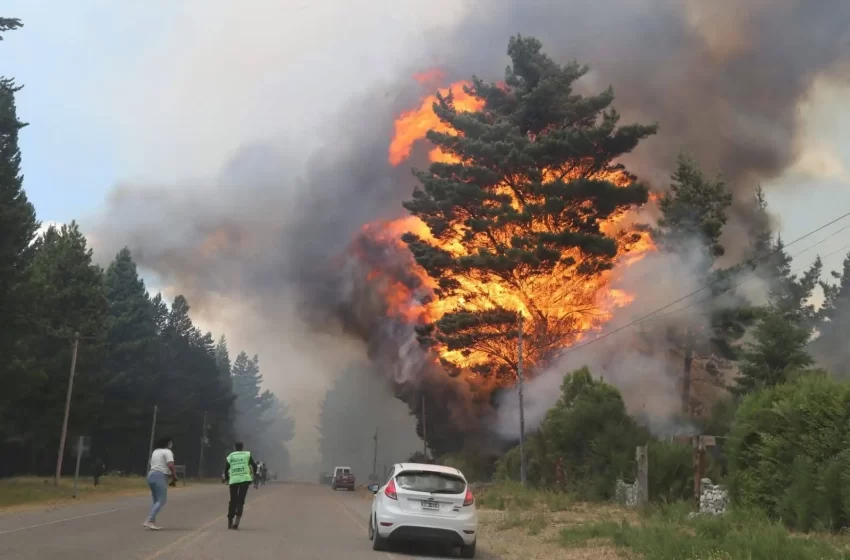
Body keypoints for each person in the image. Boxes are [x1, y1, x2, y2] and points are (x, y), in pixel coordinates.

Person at [144, 436, 177, 530]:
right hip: (160, 476)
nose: (171, 444)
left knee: (156, 500)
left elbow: (152, 463)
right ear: (168, 443)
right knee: (162, 500)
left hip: (151, 475)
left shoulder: (156, 451)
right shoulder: (167, 452)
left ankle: (152, 523)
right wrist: (174, 476)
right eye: (171, 442)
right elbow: (170, 465)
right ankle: (149, 520)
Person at [225, 442, 257, 530]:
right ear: (242, 447)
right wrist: (254, 475)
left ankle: (230, 520)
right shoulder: (247, 454)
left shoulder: (231, 456)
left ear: (234, 447)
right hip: (245, 479)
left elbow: (226, 469)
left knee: (233, 500)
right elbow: (254, 466)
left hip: (233, 480)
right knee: (240, 500)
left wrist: (228, 479)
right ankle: (237, 522)